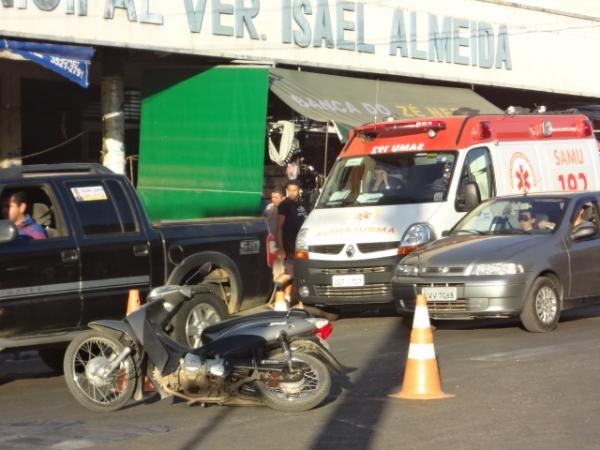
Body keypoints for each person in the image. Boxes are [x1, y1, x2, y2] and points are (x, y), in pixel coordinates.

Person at [276, 180, 308, 304]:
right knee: (293, 273)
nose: (292, 193)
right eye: (290, 190)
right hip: (290, 244)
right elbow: (279, 227)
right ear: (287, 191)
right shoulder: (285, 204)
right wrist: (281, 247)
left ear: (299, 190)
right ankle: (278, 285)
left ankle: (287, 299)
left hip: (302, 244)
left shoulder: (302, 203)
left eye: (294, 190)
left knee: (295, 274)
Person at [263, 188, 285, 279]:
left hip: (283, 241)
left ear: (282, 198)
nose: (273, 199)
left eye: (276, 197)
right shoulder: (268, 208)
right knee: (271, 262)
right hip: (272, 240)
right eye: (272, 197)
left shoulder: (287, 207)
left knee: (283, 264)